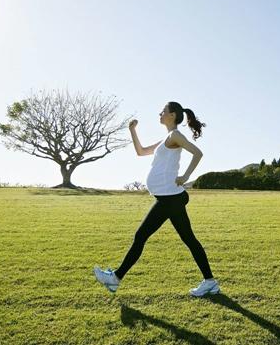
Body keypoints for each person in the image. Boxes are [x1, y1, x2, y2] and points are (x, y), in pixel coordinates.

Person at [93, 102, 220, 297]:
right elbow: (141, 151)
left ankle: (115, 279)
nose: (159, 113)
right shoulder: (166, 139)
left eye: (163, 111)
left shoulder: (175, 136)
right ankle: (210, 282)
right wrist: (132, 130)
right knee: (189, 239)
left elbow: (198, 153)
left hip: (169, 198)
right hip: (169, 198)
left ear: (172, 115)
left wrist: (185, 177)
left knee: (141, 236)